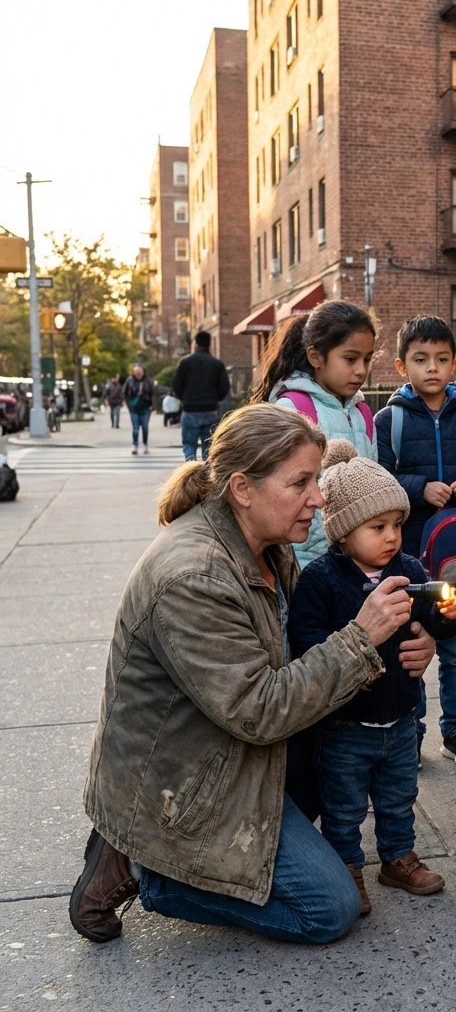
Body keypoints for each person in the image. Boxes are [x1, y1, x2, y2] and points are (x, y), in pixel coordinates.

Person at [68, 404, 437, 945]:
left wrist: (409, 641)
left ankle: (168, 850)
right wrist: (362, 639)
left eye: (317, 480)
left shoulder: (265, 543)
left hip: (239, 751)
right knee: (328, 910)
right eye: (301, 483)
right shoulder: (194, 577)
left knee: (347, 764)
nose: (319, 497)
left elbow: (301, 648)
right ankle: (146, 867)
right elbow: (259, 710)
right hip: (193, 779)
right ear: (242, 487)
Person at [288, 440, 456, 915]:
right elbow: (305, 638)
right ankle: (348, 867)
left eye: (396, 525)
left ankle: (397, 857)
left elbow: (437, 623)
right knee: (343, 806)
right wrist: (346, 667)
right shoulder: (323, 581)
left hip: (402, 717)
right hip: (346, 725)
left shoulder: (409, 570)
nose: (391, 537)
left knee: (397, 796)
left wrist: (450, 614)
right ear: (343, 533)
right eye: (377, 527)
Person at [375, 315, 456, 770]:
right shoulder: (388, 420)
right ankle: (411, 731)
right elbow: (379, 478)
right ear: (400, 366)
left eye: (441, 359)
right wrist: (418, 488)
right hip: (408, 557)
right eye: (420, 359)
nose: (432, 368)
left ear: (454, 364)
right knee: (409, 646)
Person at [250, 301, 378, 569]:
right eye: (350, 359)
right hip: (303, 559)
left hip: (356, 561)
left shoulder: (363, 413)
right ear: (316, 357)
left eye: (367, 359)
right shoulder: (292, 409)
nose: (361, 370)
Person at [172, 330, 230, 461]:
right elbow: (224, 387)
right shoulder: (217, 364)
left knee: (189, 444)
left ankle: (190, 468)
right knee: (208, 447)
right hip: (210, 410)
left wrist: (184, 398)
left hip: (190, 410)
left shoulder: (185, 363)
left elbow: (176, 385)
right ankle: (205, 475)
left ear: (195, 344)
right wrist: (215, 399)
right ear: (210, 345)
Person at [123, 364, 154, 456]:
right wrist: (127, 403)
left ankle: (145, 445)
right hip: (134, 408)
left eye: (140, 371)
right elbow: (124, 392)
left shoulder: (148, 381)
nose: (138, 373)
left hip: (145, 407)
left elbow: (153, 393)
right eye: (136, 372)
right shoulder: (129, 380)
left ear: (143, 372)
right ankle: (135, 446)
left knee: (145, 427)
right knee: (135, 429)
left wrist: (153, 405)